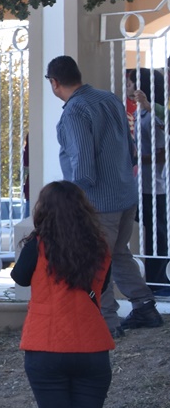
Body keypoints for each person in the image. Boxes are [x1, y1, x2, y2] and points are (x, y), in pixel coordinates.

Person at [12, 181, 115, 408]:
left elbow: (19, 277)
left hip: (46, 347)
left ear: (44, 210)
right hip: (92, 347)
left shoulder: (37, 245)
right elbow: (104, 285)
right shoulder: (99, 246)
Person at [47, 55, 163, 335]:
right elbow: (132, 148)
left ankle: (107, 323)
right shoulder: (109, 99)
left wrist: (71, 200)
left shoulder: (75, 111)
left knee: (96, 260)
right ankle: (145, 306)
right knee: (119, 253)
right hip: (124, 194)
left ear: (54, 83)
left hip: (96, 202)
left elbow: (83, 166)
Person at [126, 68, 169, 293]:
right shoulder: (141, 114)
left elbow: (162, 152)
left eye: (131, 84)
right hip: (142, 183)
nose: (128, 88)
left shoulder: (153, 117)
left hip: (155, 185)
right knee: (150, 230)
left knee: (157, 233)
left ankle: (158, 279)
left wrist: (137, 158)